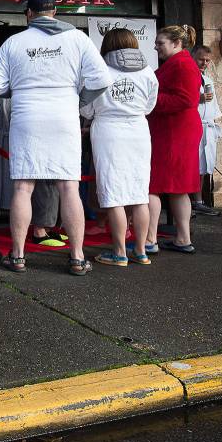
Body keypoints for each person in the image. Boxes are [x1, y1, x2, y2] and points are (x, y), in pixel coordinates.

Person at [0, 0, 112, 276]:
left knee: (22, 187)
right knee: (68, 187)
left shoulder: (14, 42)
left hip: (27, 118)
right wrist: (78, 99)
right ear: (55, 12)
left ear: (28, 13)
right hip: (64, 118)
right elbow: (102, 79)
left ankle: (18, 256)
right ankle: (78, 257)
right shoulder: (78, 39)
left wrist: (21, 88)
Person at [81, 28, 159, 266]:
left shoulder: (99, 71)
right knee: (139, 193)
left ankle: (119, 252)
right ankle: (141, 251)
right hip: (138, 130)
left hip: (108, 132)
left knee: (114, 194)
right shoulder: (148, 72)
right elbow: (149, 106)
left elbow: (86, 109)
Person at [145, 25, 203, 254]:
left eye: (161, 43)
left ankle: (150, 240)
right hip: (177, 130)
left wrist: (149, 101)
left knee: (153, 185)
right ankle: (182, 238)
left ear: (177, 43)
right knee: (179, 187)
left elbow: (185, 99)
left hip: (173, 132)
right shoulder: (182, 63)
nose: (156, 46)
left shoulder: (182, 64)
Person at [0, 98, 66, 247]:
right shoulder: (42, 97)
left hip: (10, 145)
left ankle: (25, 238)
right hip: (42, 145)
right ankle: (40, 230)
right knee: (44, 188)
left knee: (21, 189)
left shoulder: (4, 101)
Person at [191, 45, 222, 216]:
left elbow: (214, 107)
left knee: (203, 166)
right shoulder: (188, 77)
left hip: (207, 127)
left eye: (207, 60)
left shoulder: (208, 80)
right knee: (193, 165)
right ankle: (191, 201)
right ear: (193, 57)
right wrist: (199, 98)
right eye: (201, 59)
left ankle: (199, 201)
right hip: (192, 127)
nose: (204, 63)